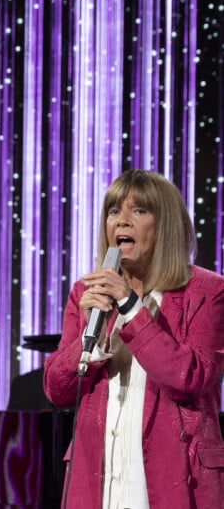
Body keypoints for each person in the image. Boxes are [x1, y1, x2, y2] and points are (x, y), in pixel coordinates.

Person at [43, 169, 224, 509]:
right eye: (114, 211)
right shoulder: (87, 293)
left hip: (175, 480)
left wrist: (130, 306)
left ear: (165, 225)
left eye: (138, 210)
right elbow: (57, 388)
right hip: (98, 483)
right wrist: (90, 335)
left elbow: (192, 377)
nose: (121, 221)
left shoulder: (208, 292)